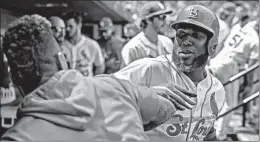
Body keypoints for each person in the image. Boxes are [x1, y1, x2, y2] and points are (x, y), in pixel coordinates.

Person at [1, 14, 196, 141]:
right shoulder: (117, 87)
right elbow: (166, 108)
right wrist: (136, 103)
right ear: (62, 60)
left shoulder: (17, 138)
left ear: (14, 78)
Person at [114, 5, 226, 141]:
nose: (186, 42)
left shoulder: (216, 90)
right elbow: (96, 92)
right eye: (181, 34)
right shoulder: (149, 68)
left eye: (196, 36)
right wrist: (143, 94)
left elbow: (207, 128)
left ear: (212, 47)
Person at [209, 10, 259, 141]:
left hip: (218, 60)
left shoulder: (242, 27)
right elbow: (253, 67)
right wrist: (248, 86)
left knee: (213, 98)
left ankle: (209, 129)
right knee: (230, 104)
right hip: (230, 65)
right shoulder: (255, 39)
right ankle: (220, 135)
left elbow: (223, 42)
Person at [121, 1, 174, 66]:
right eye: (161, 17)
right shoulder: (132, 48)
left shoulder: (167, 42)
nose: (164, 21)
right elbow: (125, 76)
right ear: (148, 20)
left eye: (165, 17)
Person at [62, 11, 105, 76]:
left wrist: (93, 81)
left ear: (79, 25)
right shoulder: (61, 45)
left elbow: (100, 65)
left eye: (71, 26)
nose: (67, 29)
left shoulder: (92, 45)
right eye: (66, 26)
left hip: (86, 84)